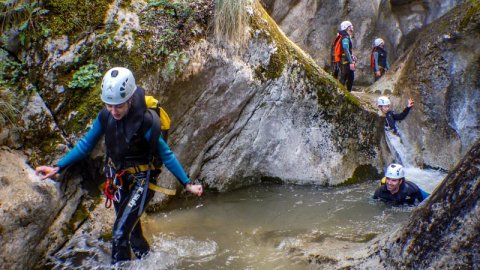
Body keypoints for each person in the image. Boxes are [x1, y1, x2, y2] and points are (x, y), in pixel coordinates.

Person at [35, 67, 203, 265]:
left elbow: (166, 154)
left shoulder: (146, 123)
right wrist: (57, 167)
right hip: (117, 179)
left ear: (130, 99)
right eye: (109, 105)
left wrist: (187, 183)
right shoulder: (105, 116)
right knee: (131, 234)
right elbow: (85, 145)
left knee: (119, 233)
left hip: (142, 181)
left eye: (119, 106)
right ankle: (147, 260)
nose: (113, 111)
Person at [333, 20, 356, 92]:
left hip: (347, 60)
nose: (352, 27)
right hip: (345, 61)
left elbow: (347, 50)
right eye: (350, 26)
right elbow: (345, 49)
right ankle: (339, 92)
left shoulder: (346, 36)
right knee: (344, 78)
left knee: (350, 77)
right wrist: (351, 62)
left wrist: (352, 56)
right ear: (347, 28)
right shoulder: (345, 37)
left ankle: (348, 93)